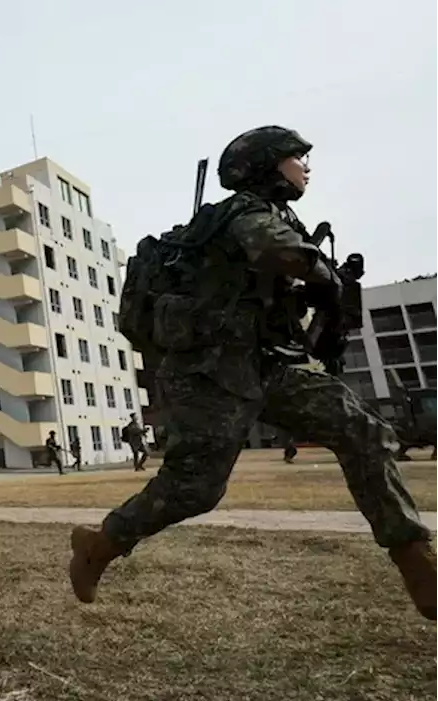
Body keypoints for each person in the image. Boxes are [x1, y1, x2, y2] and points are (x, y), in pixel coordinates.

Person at [69, 126, 438, 620]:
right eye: (296, 156)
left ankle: (416, 560)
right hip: (212, 372)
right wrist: (324, 276)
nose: (306, 165)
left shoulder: (282, 217)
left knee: (361, 429)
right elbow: (274, 251)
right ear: (266, 165)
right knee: (195, 489)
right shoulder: (245, 212)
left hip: (272, 364)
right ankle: (100, 545)